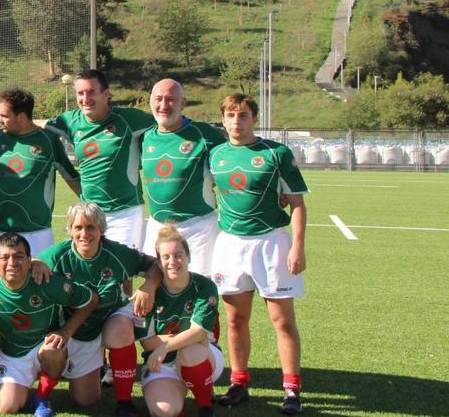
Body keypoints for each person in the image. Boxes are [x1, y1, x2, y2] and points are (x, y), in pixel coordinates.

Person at [209, 94, 308, 415]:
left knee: (282, 321)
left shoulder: (275, 153)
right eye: (231, 115)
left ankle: (292, 390)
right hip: (230, 244)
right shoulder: (215, 155)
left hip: (271, 244)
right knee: (235, 320)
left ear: (254, 118)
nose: (237, 121)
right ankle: (239, 383)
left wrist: (297, 246)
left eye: (243, 115)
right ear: (222, 120)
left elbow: (297, 204)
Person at [37, 202, 161, 417]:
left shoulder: (116, 253)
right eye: (78, 228)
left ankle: (124, 401)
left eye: (91, 227)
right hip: (72, 327)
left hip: (109, 317)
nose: (84, 233)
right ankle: (47, 390)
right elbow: (32, 263)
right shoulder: (59, 254)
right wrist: (33, 262)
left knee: (122, 328)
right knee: (86, 400)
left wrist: (148, 285)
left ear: (101, 229)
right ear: (70, 230)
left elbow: (154, 264)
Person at [0, 232, 98, 416]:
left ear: (30, 260)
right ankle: (23, 391)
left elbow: (91, 299)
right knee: (8, 407)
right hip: (14, 356)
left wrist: (66, 332)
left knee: (54, 349)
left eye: (19, 257)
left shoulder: (46, 282)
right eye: (5, 258)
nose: (12, 263)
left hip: (45, 348)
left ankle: (42, 397)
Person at [48, 69, 155, 251]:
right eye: (80, 93)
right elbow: (40, 129)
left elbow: (167, 125)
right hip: (89, 212)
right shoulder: (69, 121)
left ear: (106, 94)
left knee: (121, 269)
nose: (85, 98)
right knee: (89, 267)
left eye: (91, 92)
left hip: (125, 211)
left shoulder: (130, 119)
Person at [140, 79, 225, 276]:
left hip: (198, 226)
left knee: (199, 287)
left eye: (170, 99)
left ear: (183, 103)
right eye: (158, 99)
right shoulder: (145, 137)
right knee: (157, 285)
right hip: (157, 226)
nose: (163, 105)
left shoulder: (205, 134)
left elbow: (235, 158)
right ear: (150, 101)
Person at [136, 224, 223, 417]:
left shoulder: (204, 286)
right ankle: (178, 399)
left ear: (188, 257)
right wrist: (188, 337)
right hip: (162, 364)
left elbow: (199, 333)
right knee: (163, 411)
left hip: (202, 355)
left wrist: (165, 346)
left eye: (178, 255)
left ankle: (205, 406)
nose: (172, 261)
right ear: (158, 262)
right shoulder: (148, 294)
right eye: (166, 257)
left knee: (190, 350)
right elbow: (147, 342)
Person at [0, 88, 81, 261]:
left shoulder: (48, 141)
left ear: (22, 118)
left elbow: (71, 176)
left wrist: (93, 205)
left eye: (4, 116)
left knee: (39, 285)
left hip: (36, 233)